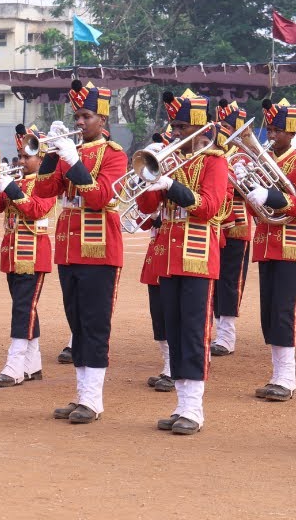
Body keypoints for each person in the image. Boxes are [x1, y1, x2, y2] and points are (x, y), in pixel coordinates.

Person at [32, 80, 128, 425]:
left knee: (94, 324)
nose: (80, 122)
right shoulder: (68, 152)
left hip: (100, 250)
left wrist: (72, 159)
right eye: (77, 116)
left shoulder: (115, 154)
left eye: (86, 116)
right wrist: (50, 154)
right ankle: (82, 394)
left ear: (103, 118)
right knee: (76, 324)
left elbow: (100, 197)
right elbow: (44, 190)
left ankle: (93, 400)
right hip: (69, 249)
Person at [136, 90, 228, 434]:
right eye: (173, 126)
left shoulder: (215, 161)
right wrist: (148, 177)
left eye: (182, 127)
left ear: (201, 129)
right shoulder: (170, 158)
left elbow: (208, 207)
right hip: (168, 254)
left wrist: (171, 184)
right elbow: (147, 208)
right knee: (174, 329)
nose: (175, 132)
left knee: (193, 330)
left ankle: (194, 408)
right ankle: (181, 403)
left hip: (198, 254)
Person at [244, 98, 296, 402]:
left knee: (284, 309)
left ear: (291, 132)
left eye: (276, 130)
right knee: (269, 312)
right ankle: (277, 374)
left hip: (293, 244)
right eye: (270, 129)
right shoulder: (263, 162)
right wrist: (250, 192)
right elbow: (255, 207)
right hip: (267, 242)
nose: (271, 135)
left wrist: (270, 196)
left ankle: (287, 378)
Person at [0, 124, 56, 387]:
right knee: (26, 307)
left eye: (28, 157)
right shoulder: (15, 181)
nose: (21, 161)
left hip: (33, 252)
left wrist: (12, 189)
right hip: (12, 251)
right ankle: (32, 362)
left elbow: (37, 210)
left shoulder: (47, 183)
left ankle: (15, 364)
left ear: (42, 158)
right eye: (20, 156)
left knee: (23, 308)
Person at [211, 100, 254, 357]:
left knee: (230, 279)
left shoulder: (244, 154)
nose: (222, 129)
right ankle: (211, 329)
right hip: (212, 222)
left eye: (227, 125)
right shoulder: (213, 149)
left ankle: (226, 334)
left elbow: (253, 189)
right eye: (220, 124)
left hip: (236, 223)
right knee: (212, 277)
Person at [139, 128, 176, 394]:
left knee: (177, 311)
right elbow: (144, 216)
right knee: (159, 312)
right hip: (158, 250)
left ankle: (177, 366)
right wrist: (145, 178)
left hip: (181, 249)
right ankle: (168, 363)